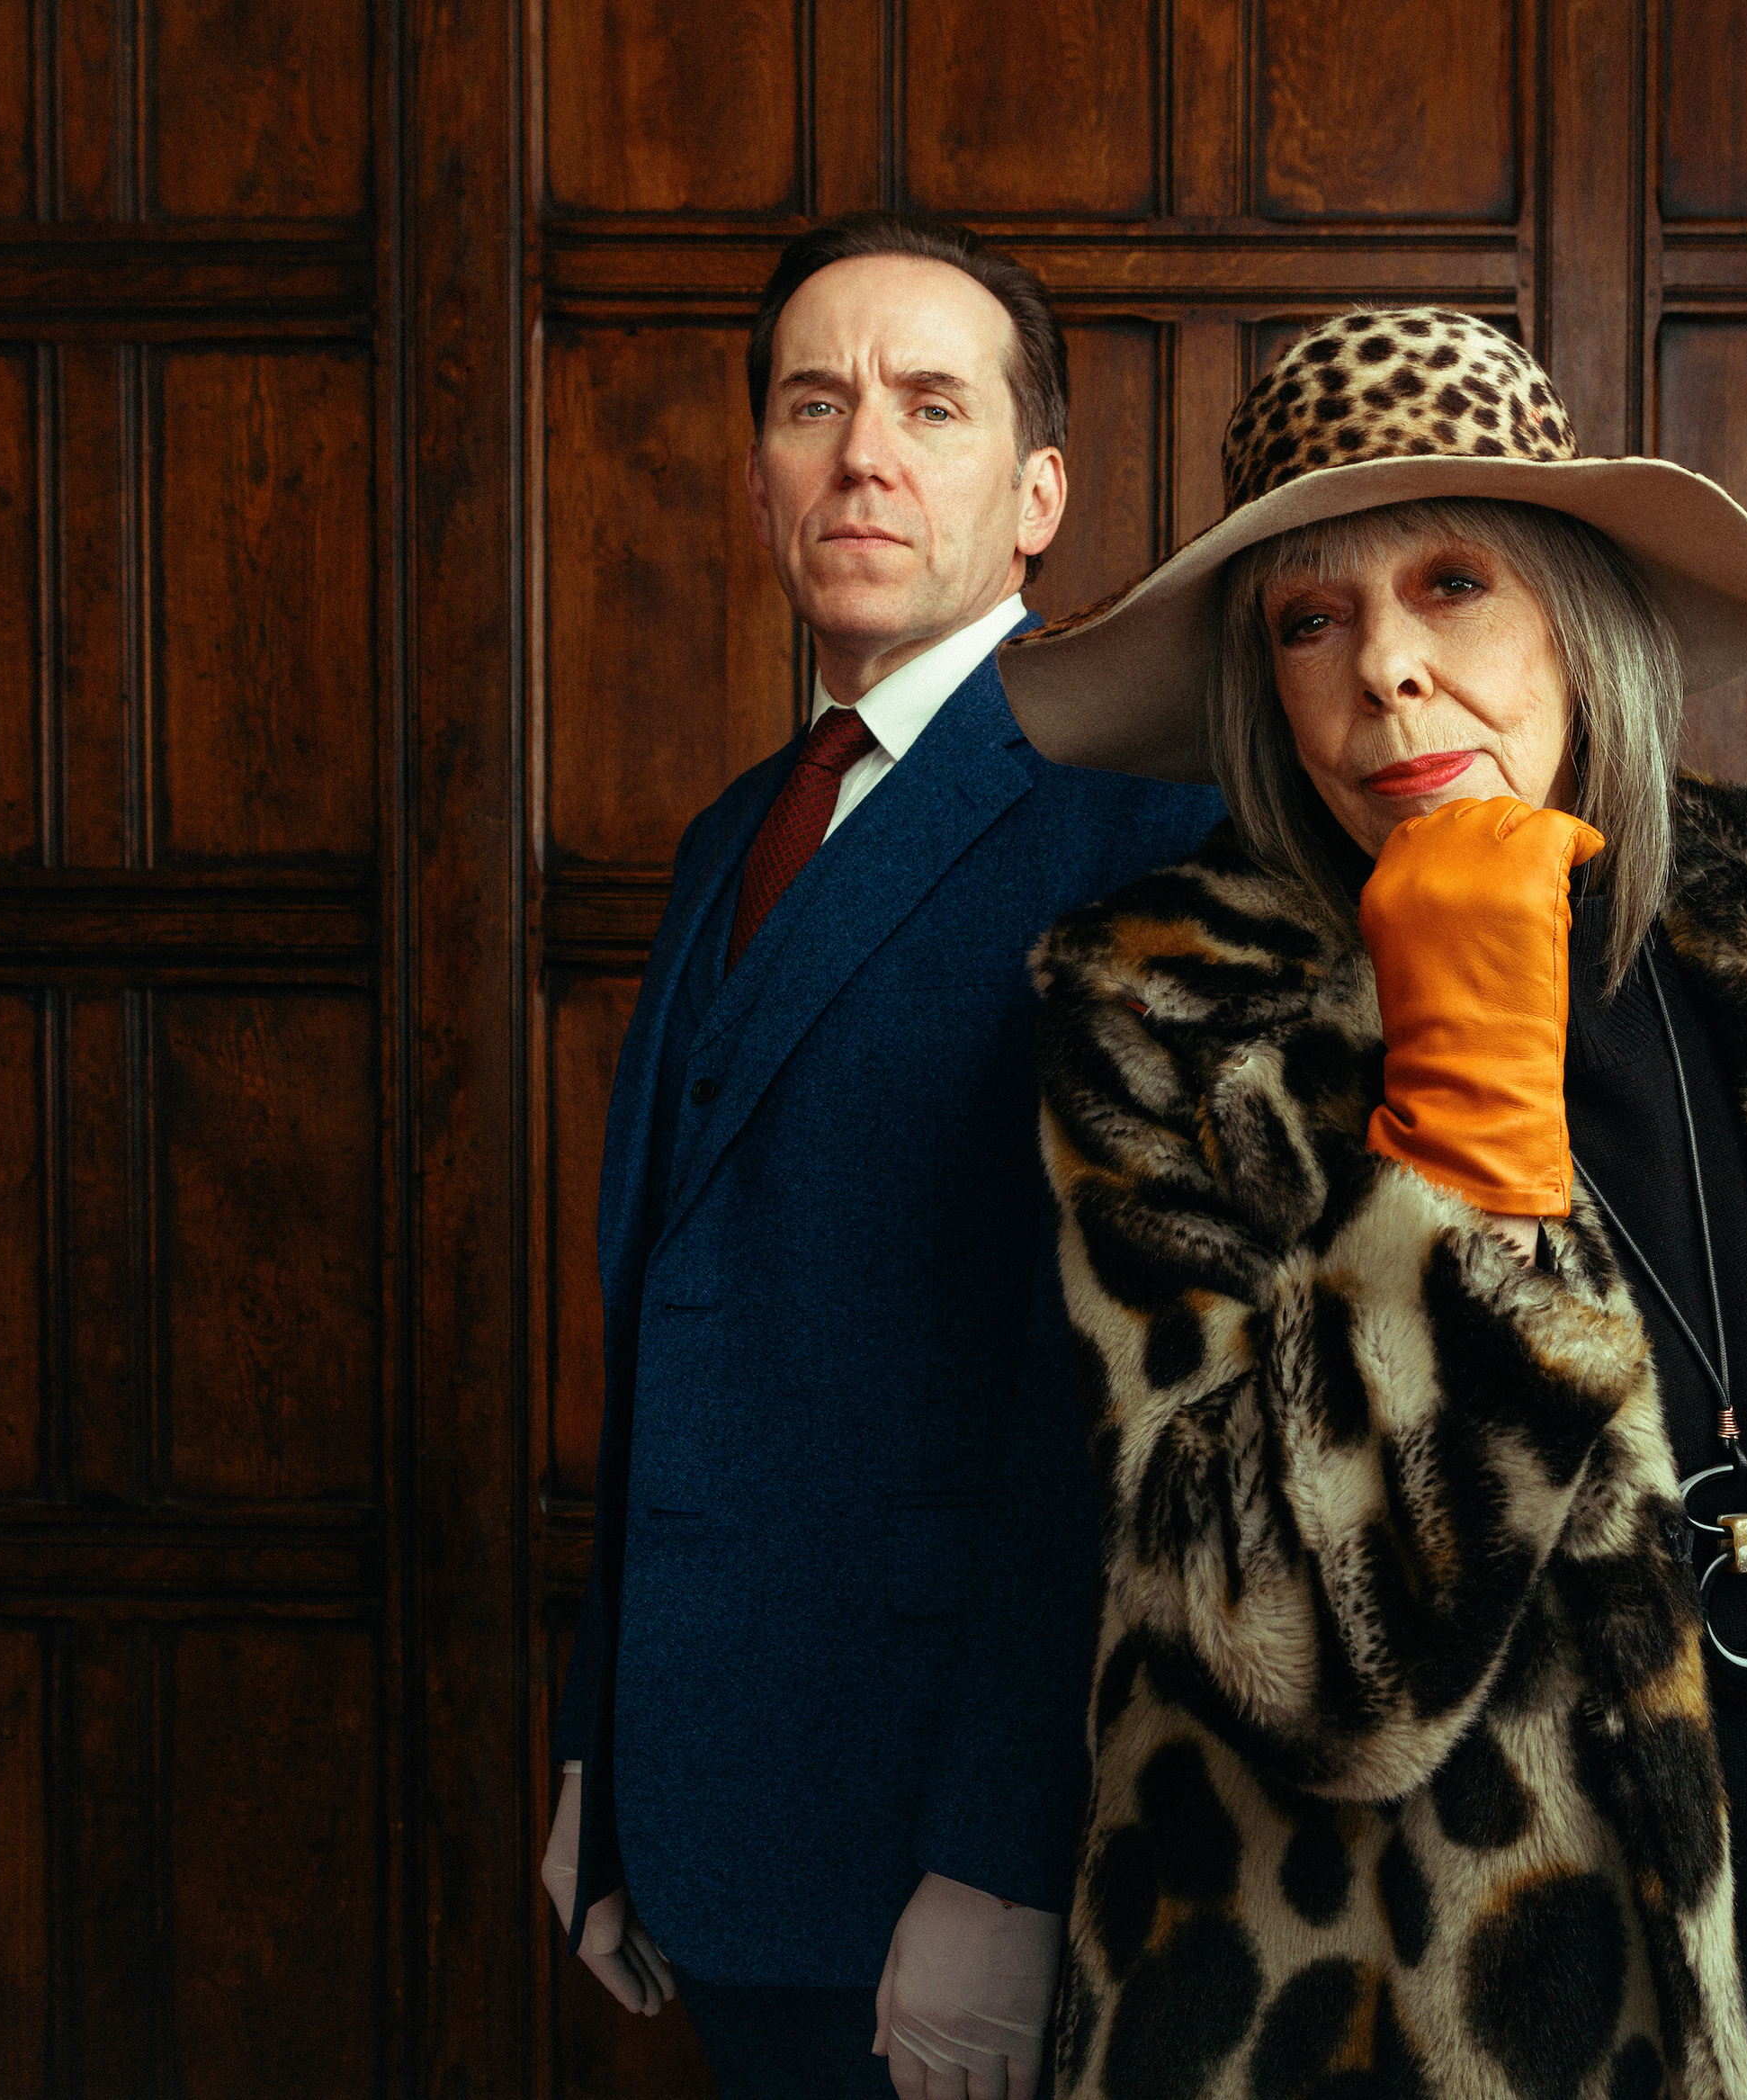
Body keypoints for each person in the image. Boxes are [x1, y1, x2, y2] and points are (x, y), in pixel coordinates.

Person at [996, 311, 1747, 2098]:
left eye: (1454, 581)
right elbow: (1300, 1667)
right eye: (1307, 621)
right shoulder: (1167, 1014)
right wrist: (1457, 1122)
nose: (1384, 674)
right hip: (1401, 2031)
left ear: (1586, 617)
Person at [538, 210, 1223, 2100]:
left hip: (952, 1843)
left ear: (1035, 495)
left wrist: (1005, 1864)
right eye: (812, 404)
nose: (862, 453)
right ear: (759, 473)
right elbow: (680, 1320)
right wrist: (603, 1745)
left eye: (932, 406)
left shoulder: (1146, 827)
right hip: (707, 1806)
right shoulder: (730, 836)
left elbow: (1109, 1392)